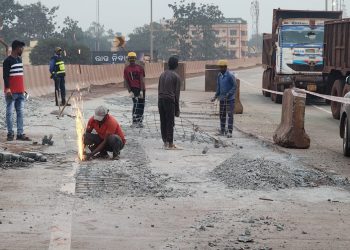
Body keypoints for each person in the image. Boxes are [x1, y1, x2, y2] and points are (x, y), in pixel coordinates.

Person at [3, 40, 31, 141]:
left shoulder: (19, 60)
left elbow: (19, 76)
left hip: (20, 92)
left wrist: (23, 90)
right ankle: (10, 134)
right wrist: (8, 89)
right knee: (10, 113)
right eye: (21, 48)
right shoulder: (7, 61)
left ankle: (20, 134)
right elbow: (5, 77)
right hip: (11, 92)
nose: (22, 50)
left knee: (20, 113)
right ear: (16, 48)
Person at [158, 56, 181, 149]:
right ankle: (170, 143)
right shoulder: (176, 77)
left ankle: (165, 142)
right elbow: (177, 94)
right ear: (176, 65)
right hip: (169, 101)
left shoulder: (162, 75)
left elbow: (159, 89)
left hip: (161, 100)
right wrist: (177, 109)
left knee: (163, 121)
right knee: (170, 122)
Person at [211, 59, 237, 138]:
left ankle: (229, 131)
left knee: (230, 115)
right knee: (222, 115)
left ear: (225, 67)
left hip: (230, 100)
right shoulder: (219, 75)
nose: (220, 69)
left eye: (222, 67)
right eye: (220, 67)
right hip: (222, 99)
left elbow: (235, 86)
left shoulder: (230, 75)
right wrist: (215, 97)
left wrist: (229, 94)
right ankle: (222, 130)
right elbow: (218, 87)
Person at [124, 51, 146, 128]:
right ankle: (139, 121)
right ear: (135, 59)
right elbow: (141, 80)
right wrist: (141, 90)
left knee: (136, 105)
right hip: (140, 89)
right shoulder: (140, 68)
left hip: (133, 89)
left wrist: (130, 91)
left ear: (128, 59)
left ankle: (135, 121)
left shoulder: (126, 69)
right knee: (140, 105)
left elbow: (126, 81)